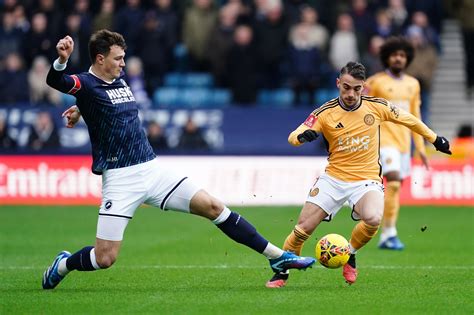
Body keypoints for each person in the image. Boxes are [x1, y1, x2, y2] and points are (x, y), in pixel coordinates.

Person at [42, 30, 316, 290]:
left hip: (152, 169)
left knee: (213, 206)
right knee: (105, 258)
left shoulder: (118, 81)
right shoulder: (86, 83)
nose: (123, 64)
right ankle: (64, 264)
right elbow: (58, 82)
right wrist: (62, 61)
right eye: (118, 58)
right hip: (120, 179)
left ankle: (277, 256)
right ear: (100, 59)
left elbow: (102, 105)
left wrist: (80, 110)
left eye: (123, 57)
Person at [265, 61, 451, 288]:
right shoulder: (325, 112)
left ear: (364, 87)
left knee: (373, 218)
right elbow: (294, 135)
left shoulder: (377, 107)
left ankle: (349, 253)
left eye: (357, 89)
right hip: (333, 179)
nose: (351, 94)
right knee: (302, 229)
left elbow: (409, 119)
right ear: (338, 84)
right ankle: (282, 272)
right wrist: (302, 137)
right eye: (346, 87)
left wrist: (434, 138)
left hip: (366, 180)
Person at [365, 36, 429, 250]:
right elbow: (362, 111)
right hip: (382, 141)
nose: (398, 59)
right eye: (394, 55)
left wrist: (420, 147)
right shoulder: (375, 83)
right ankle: (388, 233)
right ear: (387, 57)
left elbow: (416, 116)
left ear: (407, 58)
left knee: (395, 187)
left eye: (402, 55)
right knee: (392, 181)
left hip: (403, 144)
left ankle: (387, 232)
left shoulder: (413, 84)